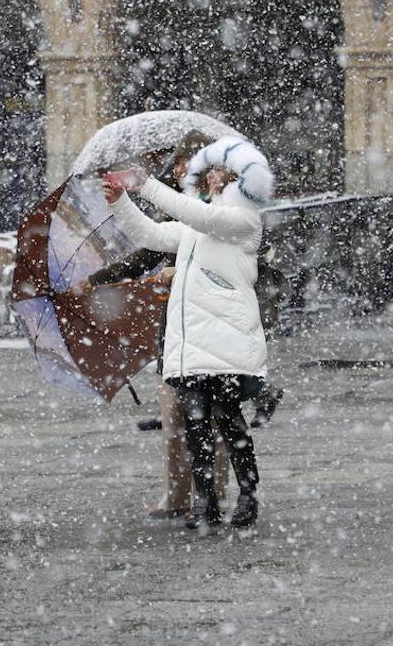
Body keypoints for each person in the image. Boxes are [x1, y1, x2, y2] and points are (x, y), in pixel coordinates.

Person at [104, 137, 273, 531]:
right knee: (195, 424)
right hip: (192, 343)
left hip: (228, 340)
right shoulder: (197, 224)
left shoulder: (242, 219)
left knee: (228, 420)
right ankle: (205, 500)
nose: (210, 177)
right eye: (210, 172)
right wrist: (119, 202)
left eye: (218, 172)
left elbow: (199, 217)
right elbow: (151, 234)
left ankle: (248, 493)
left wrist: (144, 184)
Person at [71, 132, 229, 519]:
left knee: (214, 416)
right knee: (173, 412)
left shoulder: (225, 212)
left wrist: (186, 270)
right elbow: (149, 246)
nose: (180, 170)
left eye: (189, 164)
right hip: (175, 322)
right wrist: (96, 279)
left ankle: (212, 495)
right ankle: (175, 496)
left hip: (213, 323)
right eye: (177, 164)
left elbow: (236, 264)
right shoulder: (176, 212)